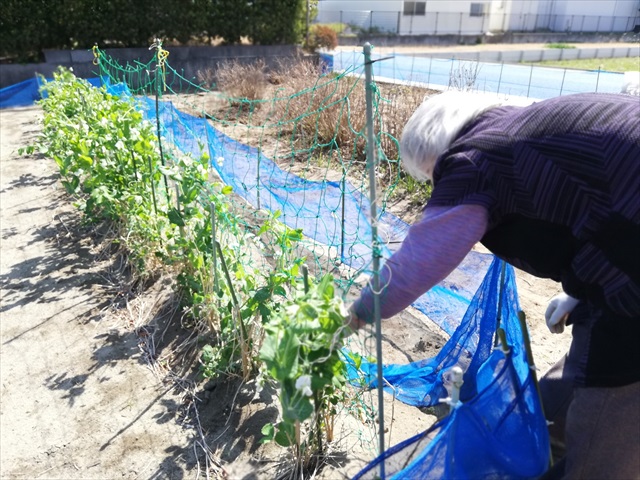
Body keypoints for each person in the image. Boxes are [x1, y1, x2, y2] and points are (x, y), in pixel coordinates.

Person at [348, 91, 640, 479]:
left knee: (610, 403)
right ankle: (536, 444)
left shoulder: (473, 159)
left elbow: (418, 263)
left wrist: (354, 314)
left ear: (437, 154)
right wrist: (577, 290)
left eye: (432, 176)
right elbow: (599, 197)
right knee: (577, 374)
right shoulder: (517, 129)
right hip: (620, 264)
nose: (438, 185)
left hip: (629, 282)